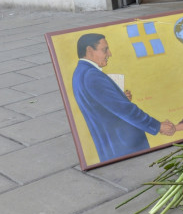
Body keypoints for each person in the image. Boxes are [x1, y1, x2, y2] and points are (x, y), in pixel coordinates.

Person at [72, 34, 175, 163]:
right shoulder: (92, 75)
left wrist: (120, 97)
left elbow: (99, 104)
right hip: (124, 146)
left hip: (112, 146)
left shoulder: (81, 72)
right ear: (89, 50)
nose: (109, 54)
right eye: (105, 49)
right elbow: (125, 110)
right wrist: (157, 126)